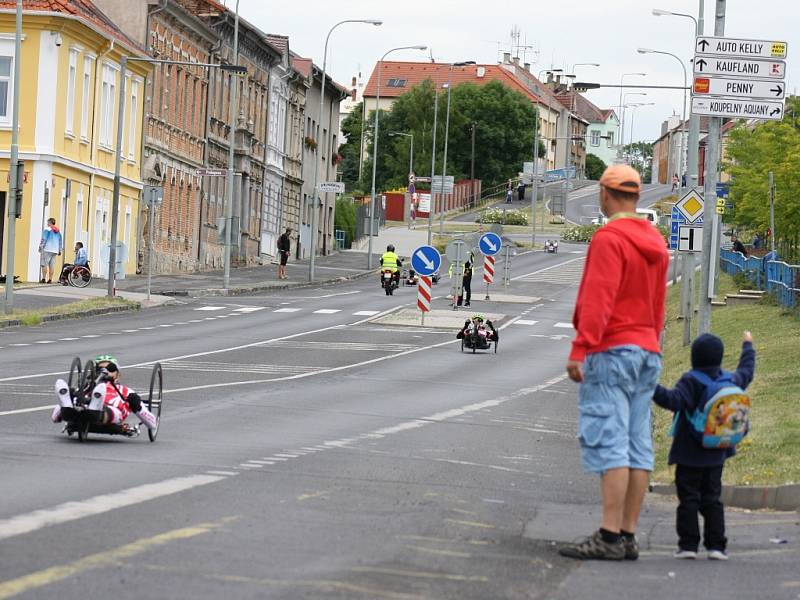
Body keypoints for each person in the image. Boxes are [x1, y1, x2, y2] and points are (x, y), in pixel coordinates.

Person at [559, 164, 670, 561]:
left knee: (610, 440)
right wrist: (652, 345)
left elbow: (598, 298)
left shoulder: (609, 238)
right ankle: (627, 534)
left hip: (612, 350)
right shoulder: (655, 241)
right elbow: (659, 305)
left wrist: (580, 348)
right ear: (637, 197)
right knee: (638, 445)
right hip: (646, 351)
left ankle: (607, 535)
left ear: (605, 195)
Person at [652, 332, 755, 560]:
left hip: (689, 454)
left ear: (694, 357)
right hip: (717, 454)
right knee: (712, 499)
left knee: (689, 499)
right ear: (719, 358)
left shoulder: (691, 381)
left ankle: (688, 545)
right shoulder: (729, 380)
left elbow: (673, 401)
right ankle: (716, 546)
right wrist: (747, 345)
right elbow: (747, 372)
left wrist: (651, 387)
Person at [51, 355, 157, 432]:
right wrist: (72, 394)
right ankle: (73, 405)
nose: (104, 371)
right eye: (100, 369)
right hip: (83, 406)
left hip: (112, 411)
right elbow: (55, 418)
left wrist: (136, 404)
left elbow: (152, 424)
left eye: (110, 369)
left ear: (118, 375)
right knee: (73, 397)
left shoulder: (126, 391)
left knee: (109, 409)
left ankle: (96, 404)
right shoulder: (86, 387)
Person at [38, 217, 63, 284]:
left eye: (48, 222)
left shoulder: (47, 229)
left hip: (47, 249)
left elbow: (44, 239)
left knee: (44, 264)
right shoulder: (58, 231)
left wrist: (40, 247)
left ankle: (43, 279)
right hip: (55, 250)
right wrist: (60, 249)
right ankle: (50, 279)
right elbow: (60, 241)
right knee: (52, 265)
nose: (47, 223)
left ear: (50, 222)